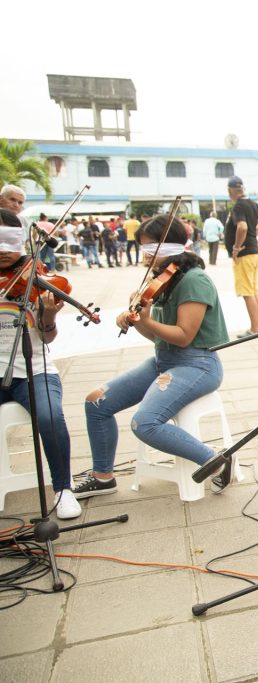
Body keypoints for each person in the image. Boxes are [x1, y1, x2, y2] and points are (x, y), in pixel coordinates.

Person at [73, 215, 234, 499]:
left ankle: (214, 460)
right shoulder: (163, 281)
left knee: (144, 422)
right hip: (165, 360)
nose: (145, 255)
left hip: (197, 364)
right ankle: (103, 476)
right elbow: (158, 338)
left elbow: (183, 336)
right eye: (144, 247)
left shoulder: (194, 280)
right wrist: (137, 321)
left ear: (170, 246)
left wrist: (147, 319)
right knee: (96, 403)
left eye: (150, 247)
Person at [0, 210, 79, 519]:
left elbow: (47, 338)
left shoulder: (36, 278)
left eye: (9, 241)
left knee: (50, 417)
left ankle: (63, 488)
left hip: (34, 370)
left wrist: (49, 315)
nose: (3, 250)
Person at [224, 176, 258, 337]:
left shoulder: (239, 206)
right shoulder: (251, 203)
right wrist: (254, 234)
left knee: (247, 292)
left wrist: (236, 248)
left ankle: (255, 328)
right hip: (253, 253)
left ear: (230, 191)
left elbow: (242, 227)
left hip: (244, 254)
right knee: (253, 290)